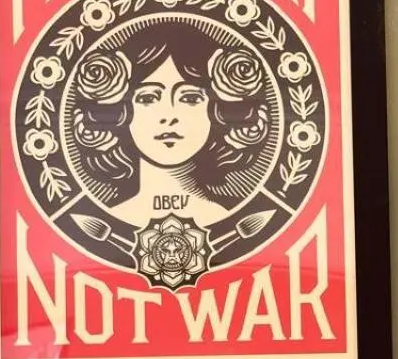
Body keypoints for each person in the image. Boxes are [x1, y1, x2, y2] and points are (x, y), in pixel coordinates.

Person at [70, 20, 277, 228]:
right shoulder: (104, 222)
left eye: (190, 98)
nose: (169, 115)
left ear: (216, 112)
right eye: (148, 98)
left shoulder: (235, 219)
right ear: (121, 112)